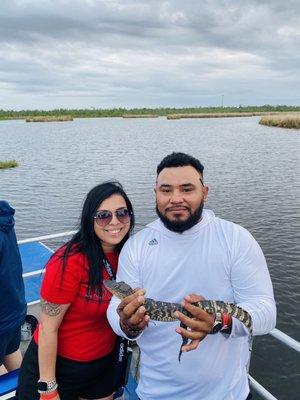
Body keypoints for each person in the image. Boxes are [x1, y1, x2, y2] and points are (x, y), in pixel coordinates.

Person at [107, 152, 276, 400]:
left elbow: (266, 312)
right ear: (155, 193)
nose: (176, 198)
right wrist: (127, 324)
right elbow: (115, 308)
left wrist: (219, 322)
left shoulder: (235, 239)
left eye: (187, 189)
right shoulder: (137, 246)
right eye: (166, 190)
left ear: (204, 192)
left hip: (227, 395)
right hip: (155, 393)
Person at [17, 182, 135, 400]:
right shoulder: (70, 261)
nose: (115, 222)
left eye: (122, 213)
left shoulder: (131, 256)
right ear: (90, 219)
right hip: (56, 366)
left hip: (103, 365)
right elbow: (47, 329)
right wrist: (49, 388)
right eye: (103, 216)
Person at [0, 201, 27, 374]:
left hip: (2, 318)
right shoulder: (4, 218)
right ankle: (27, 390)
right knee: (11, 351)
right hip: (14, 310)